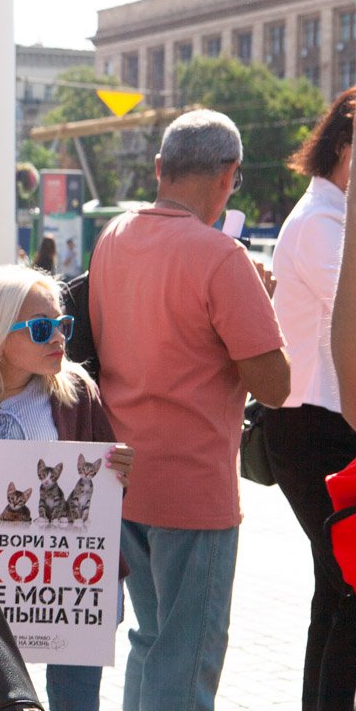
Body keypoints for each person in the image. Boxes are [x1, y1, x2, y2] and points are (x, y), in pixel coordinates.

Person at [88, 108, 289, 711]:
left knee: (151, 644)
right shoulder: (221, 257)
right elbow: (274, 384)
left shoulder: (114, 239)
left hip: (126, 480)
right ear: (230, 175)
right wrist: (262, 300)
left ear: (159, 169)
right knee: (188, 660)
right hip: (194, 487)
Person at [0, 264, 133, 711]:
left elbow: (103, 498)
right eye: (41, 328)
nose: (58, 338)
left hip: (68, 588)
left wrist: (118, 471)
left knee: (75, 701)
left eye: (62, 325)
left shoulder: (75, 392)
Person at [272, 87, 356, 711]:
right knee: (348, 587)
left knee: (337, 587)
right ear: (346, 146)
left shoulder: (330, 214)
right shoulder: (325, 221)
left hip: (319, 423)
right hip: (313, 425)